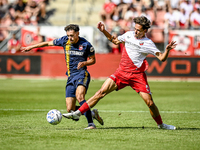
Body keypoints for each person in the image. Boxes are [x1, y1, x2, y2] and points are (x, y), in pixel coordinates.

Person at [63, 16, 177, 130]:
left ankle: (161, 125)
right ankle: (78, 113)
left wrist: (167, 50)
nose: (135, 31)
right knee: (101, 92)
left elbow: (161, 58)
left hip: (137, 76)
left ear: (145, 31)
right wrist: (104, 31)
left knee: (150, 103)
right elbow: (115, 41)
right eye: (135, 28)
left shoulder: (148, 43)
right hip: (121, 73)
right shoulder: (128, 35)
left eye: (138, 30)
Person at [21, 24, 104, 129]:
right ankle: (92, 113)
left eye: (72, 35)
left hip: (82, 74)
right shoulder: (65, 41)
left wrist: (84, 63)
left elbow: (93, 60)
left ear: (78, 33)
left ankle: (91, 124)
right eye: (68, 35)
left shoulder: (86, 45)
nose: (70, 38)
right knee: (70, 109)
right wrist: (30, 47)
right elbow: (47, 43)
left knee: (80, 97)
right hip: (70, 76)